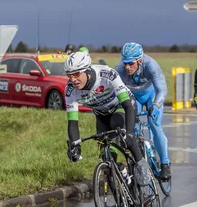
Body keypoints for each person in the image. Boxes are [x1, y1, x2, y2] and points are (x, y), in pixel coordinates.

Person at [64, 51, 151, 185]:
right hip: (101, 115)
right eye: (69, 75)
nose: (73, 80)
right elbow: (72, 122)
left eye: (76, 74)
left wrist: (129, 132)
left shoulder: (106, 75)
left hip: (122, 106)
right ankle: (121, 171)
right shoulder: (70, 90)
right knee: (106, 156)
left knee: (122, 132)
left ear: (87, 70)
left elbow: (127, 105)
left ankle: (141, 165)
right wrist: (75, 145)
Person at [114, 42, 171, 180]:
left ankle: (165, 163)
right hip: (134, 97)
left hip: (151, 96)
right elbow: (113, 91)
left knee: (154, 124)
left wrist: (157, 105)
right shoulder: (119, 70)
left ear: (140, 61)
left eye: (131, 63)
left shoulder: (150, 65)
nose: (127, 67)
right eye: (125, 63)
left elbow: (162, 89)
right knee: (131, 125)